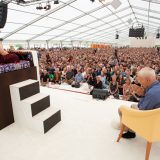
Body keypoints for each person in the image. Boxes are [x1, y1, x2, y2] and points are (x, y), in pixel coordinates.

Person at [118, 67, 160, 139]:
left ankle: (127, 127)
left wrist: (142, 97)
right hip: (155, 116)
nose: (139, 83)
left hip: (152, 120)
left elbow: (141, 108)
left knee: (121, 109)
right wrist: (143, 94)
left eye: (140, 80)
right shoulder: (155, 87)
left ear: (148, 80)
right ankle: (131, 130)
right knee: (132, 105)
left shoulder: (152, 93)